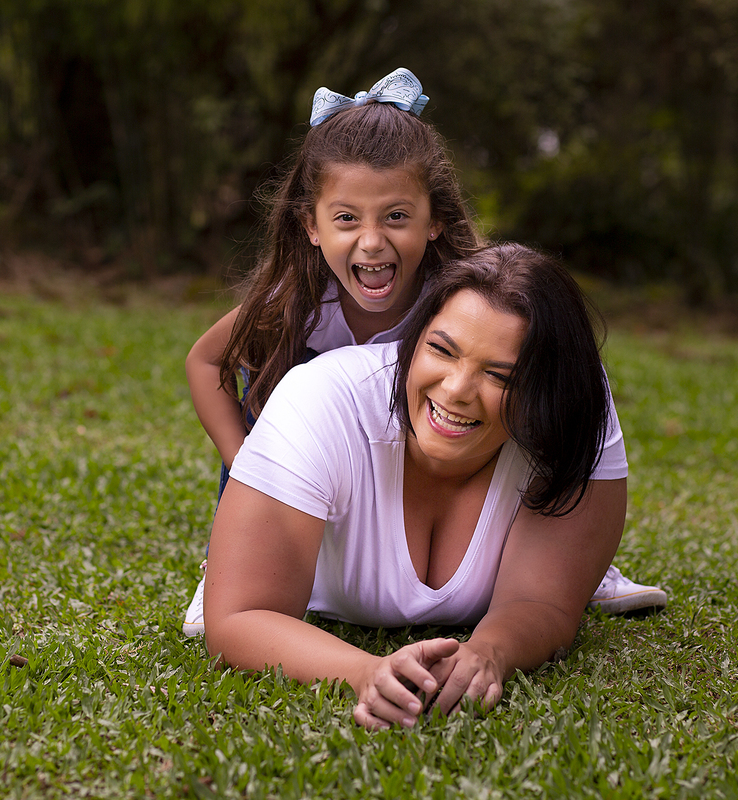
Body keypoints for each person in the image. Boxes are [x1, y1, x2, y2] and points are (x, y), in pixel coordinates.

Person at [183, 69, 664, 636]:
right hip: (317, 451)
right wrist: (242, 458)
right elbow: (206, 361)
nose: (371, 240)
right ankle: (228, 560)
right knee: (265, 410)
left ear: (434, 220)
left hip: (434, 444)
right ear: (310, 225)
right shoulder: (296, 303)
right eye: (345, 218)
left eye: (395, 216)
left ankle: (582, 565)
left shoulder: (458, 298)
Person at [205, 243, 631, 729]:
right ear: (414, 338)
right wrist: (365, 672)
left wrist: (489, 652)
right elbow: (239, 616)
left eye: (499, 375)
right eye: (441, 350)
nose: (455, 390)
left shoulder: (577, 415)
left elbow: (545, 602)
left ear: (547, 395)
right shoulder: (321, 401)